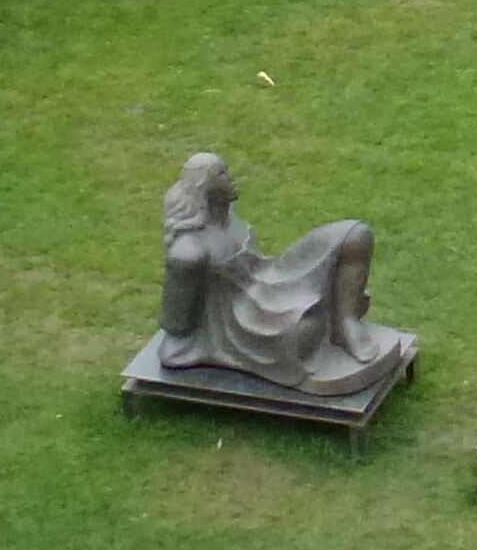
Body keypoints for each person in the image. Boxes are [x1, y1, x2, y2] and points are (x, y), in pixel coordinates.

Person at [155, 152, 411, 397]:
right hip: (250, 320)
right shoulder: (189, 253)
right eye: (222, 174)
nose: (231, 177)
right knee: (308, 329)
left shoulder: (226, 215)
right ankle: (324, 319)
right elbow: (176, 325)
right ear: (204, 189)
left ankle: (344, 323)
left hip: (272, 277)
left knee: (356, 235)